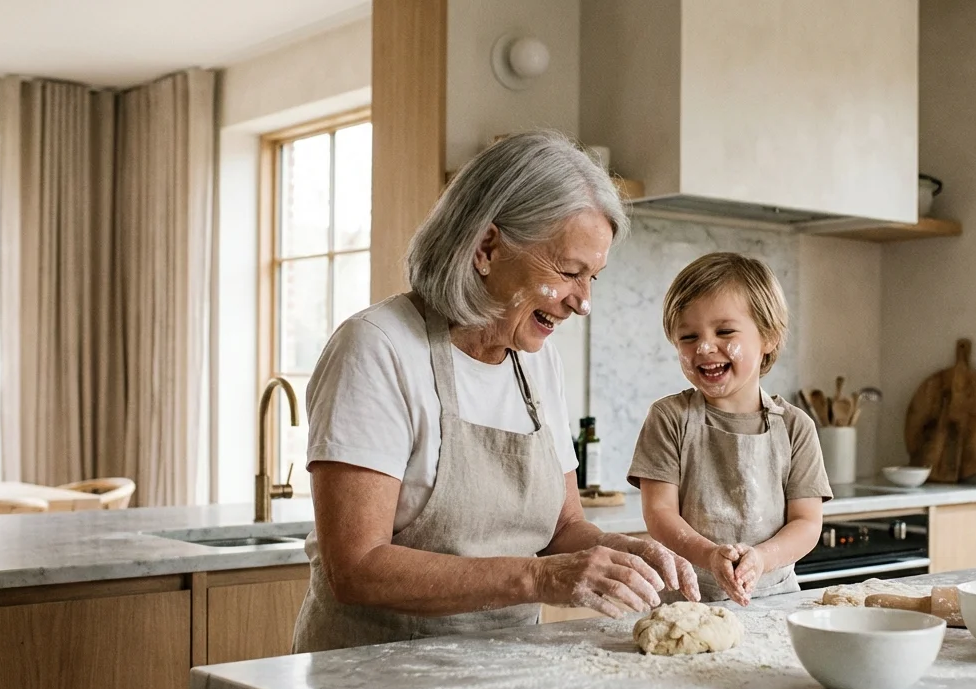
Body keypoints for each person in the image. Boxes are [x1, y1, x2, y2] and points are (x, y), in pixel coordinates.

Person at [292, 131, 700, 654]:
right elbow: (358, 567)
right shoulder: (379, 348)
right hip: (373, 677)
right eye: (570, 272)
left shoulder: (535, 359)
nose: (583, 302)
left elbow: (563, 528)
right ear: (486, 248)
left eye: (593, 277)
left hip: (503, 671)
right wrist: (540, 580)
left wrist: (625, 553)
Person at [627, 252, 831, 605]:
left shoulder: (795, 427)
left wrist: (762, 558)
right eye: (688, 337)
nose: (704, 347)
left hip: (774, 601)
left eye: (724, 331)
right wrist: (708, 555)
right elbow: (659, 514)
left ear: (768, 337)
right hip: (687, 602)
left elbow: (807, 523)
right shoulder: (669, 418)